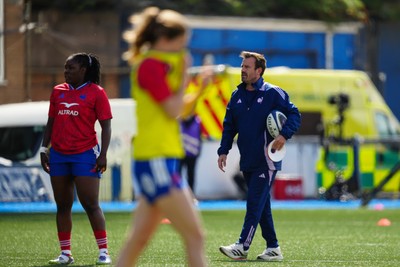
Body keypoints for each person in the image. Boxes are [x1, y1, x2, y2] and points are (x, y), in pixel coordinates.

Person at [115, 7, 206, 267]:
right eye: (181, 44)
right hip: (157, 160)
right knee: (195, 236)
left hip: (158, 159)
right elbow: (173, 109)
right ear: (165, 40)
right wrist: (185, 77)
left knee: (138, 240)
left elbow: (176, 110)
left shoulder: (154, 64)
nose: (183, 51)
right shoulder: (151, 66)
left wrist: (193, 86)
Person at [217, 51, 301, 261]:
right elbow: (229, 127)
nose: (242, 70)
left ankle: (242, 247)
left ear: (259, 70)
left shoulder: (274, 93)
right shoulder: (236, 96)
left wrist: (284, 135)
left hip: (267, 160)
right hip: (247, 160)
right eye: (242, 66)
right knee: (261, 206)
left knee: (254, 202)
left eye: (247, 67)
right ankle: (273, 248)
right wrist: (223, 150)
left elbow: (294, 114)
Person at [40, 52, 113, 265]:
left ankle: (103, 252)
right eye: (65, 67)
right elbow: (51, 122)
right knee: (62, 205)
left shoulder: (97, 93)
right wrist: (45, 148)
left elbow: (106, 126)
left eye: (70, 68)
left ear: (83, 70)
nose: (66, 71)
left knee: (90, 204)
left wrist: (103, 155)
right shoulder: (57, 92)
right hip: (59, 155)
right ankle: (65, 253)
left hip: (84, 154)